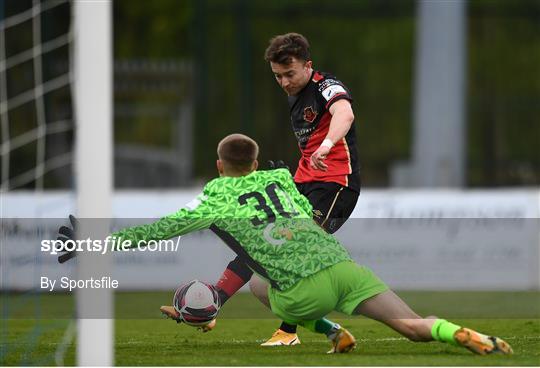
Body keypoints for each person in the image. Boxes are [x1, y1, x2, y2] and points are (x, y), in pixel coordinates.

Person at [58, 134, 512, 356]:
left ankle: (326, 329)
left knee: (258, 284)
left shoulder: (215, 196)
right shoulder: (279, 178)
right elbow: (298, 206)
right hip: (345, 268)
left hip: (302, 291)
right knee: (414, 326)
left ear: (219, 165)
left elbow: (157, 230)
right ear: (256, 162)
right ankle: (470, 336)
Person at [215, 32, 363, 347]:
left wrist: (326, 145)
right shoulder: (293, 94)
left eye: (290, 73)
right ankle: (212, 303)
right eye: (277, 76)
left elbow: (344, 113)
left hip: (336, 185)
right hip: (303, 184)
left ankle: (288, 333)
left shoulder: (326, 86)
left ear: (308, 65)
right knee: (260, 244)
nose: (284, 82)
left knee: (293, 250)